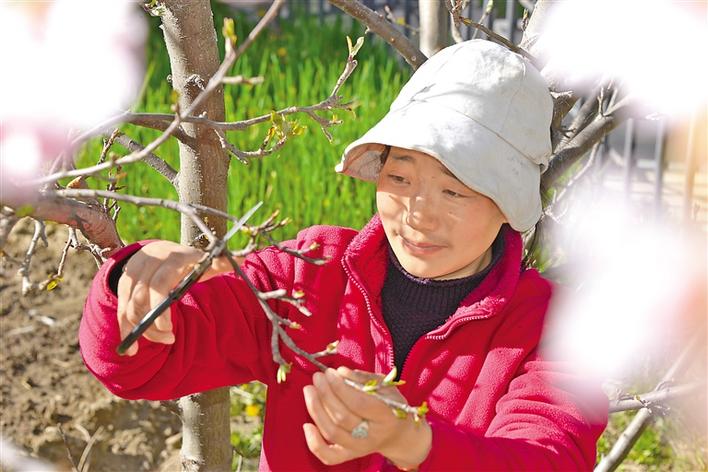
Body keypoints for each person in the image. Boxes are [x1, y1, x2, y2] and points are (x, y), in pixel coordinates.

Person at [80, 39, 608, 470]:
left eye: (454, 191)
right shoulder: (312, 272)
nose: (418, 214)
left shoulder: (554, 328)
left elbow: (549, 458)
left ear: (509, 204)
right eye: (399, 178)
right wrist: (136, 285)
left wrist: (414, 442)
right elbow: (135, 367)